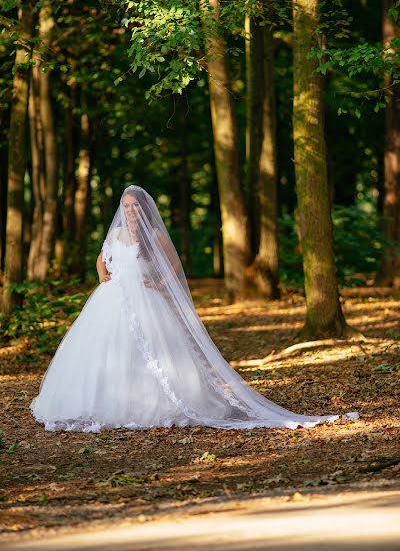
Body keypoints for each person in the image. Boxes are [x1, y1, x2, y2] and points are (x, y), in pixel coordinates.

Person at [30, 185, 359, 433]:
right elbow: (101, 258)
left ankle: (160, 402)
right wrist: (104, 276)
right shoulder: (115, 232)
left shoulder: (154, 235)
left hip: (146, 300)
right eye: (126, 206)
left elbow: (173, 265)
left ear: (143, 209)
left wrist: (158, 286)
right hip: (112, 299)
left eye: (134, 206)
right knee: (105, 351)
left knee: (157, 351)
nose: (130, 211)